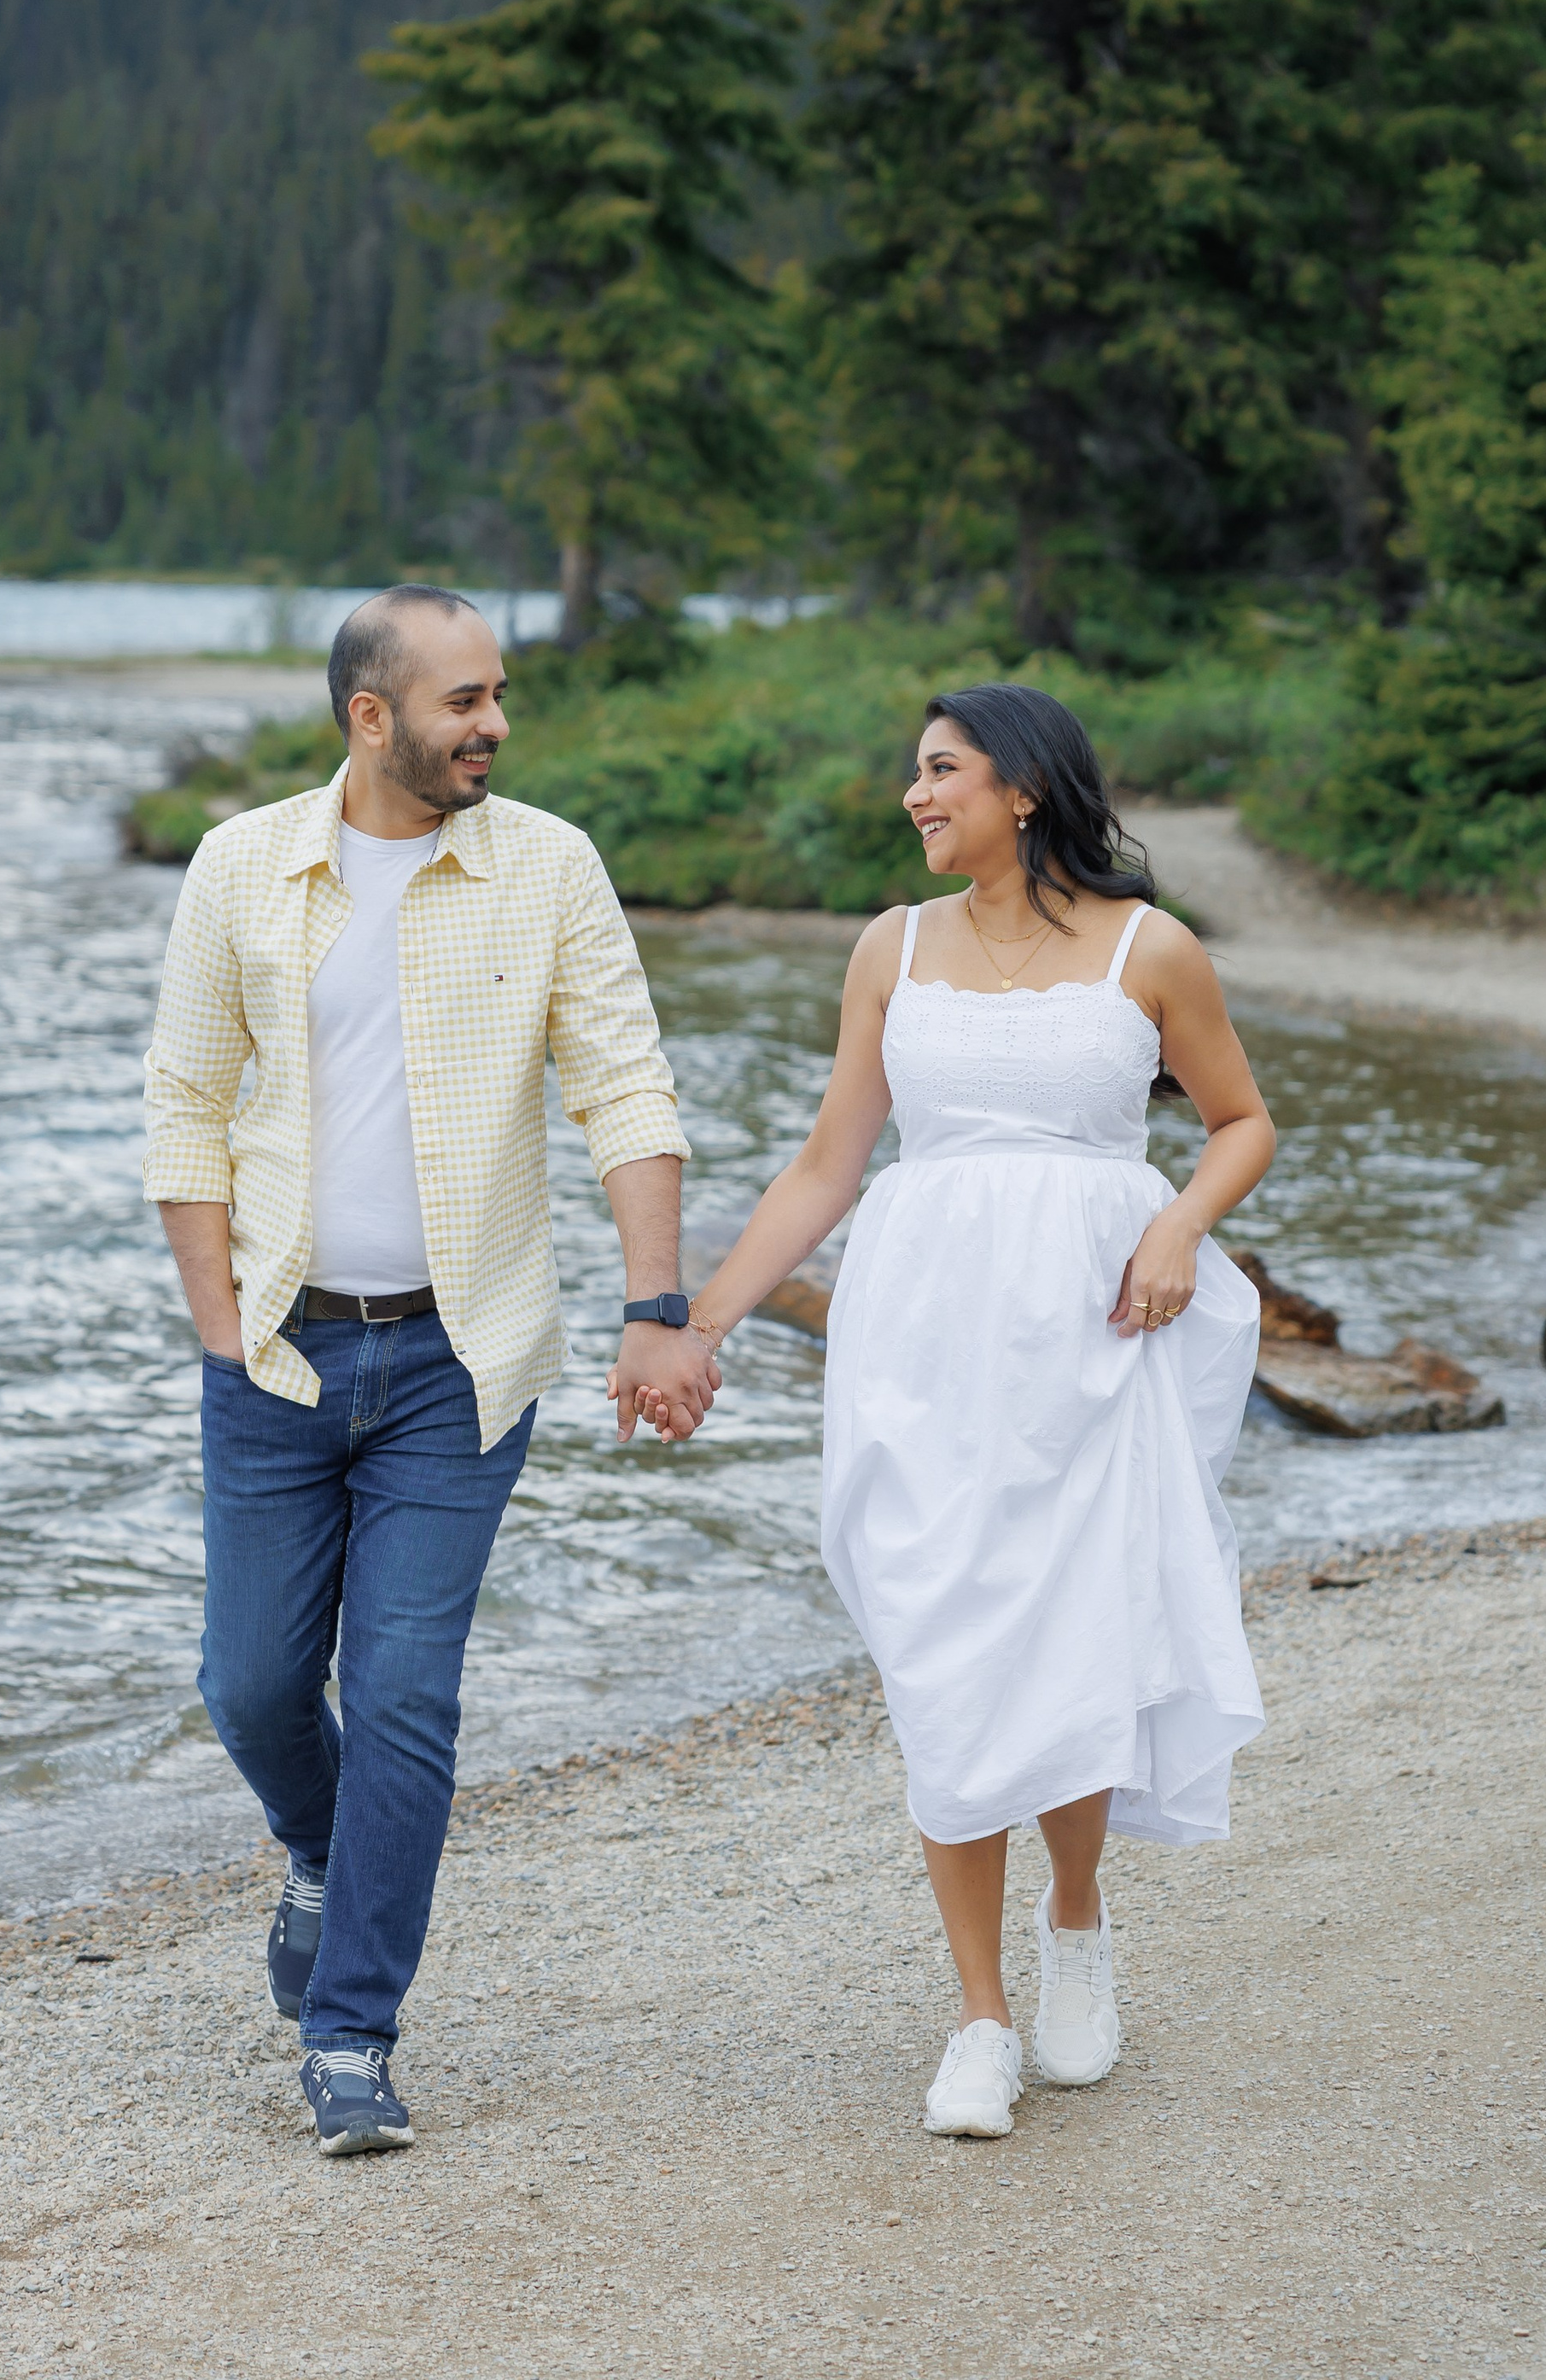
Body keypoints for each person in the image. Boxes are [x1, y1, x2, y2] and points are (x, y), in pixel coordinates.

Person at [648, 680, 1272, 2139]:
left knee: (1067, 1640)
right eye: (915, 775)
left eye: (942, 771)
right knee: (943, 1648)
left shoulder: (1151, 948)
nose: (915, 796)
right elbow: (825, 1166)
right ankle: (978, 2020)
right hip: (922, 1348)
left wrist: (1180, 1224)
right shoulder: (892, 948)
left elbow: (1240, 1120)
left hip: (1093, 1343)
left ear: (1026, 789)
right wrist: (698, 1320)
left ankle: (1075, 1922)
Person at [143, 583, 719, 2155]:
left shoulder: (549, 866)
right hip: (274, 1346)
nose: (495, 727)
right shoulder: (241, 866)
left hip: (467, 1363)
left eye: (500, 695)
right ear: (370, 716)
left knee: (401, 1691)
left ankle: (350, 2034)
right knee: (250, 1682)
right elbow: (186, 1103)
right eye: (465, 701)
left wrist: (656, 1302)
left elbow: (626, 1088)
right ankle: (325, 1856)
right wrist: (215, 1327)